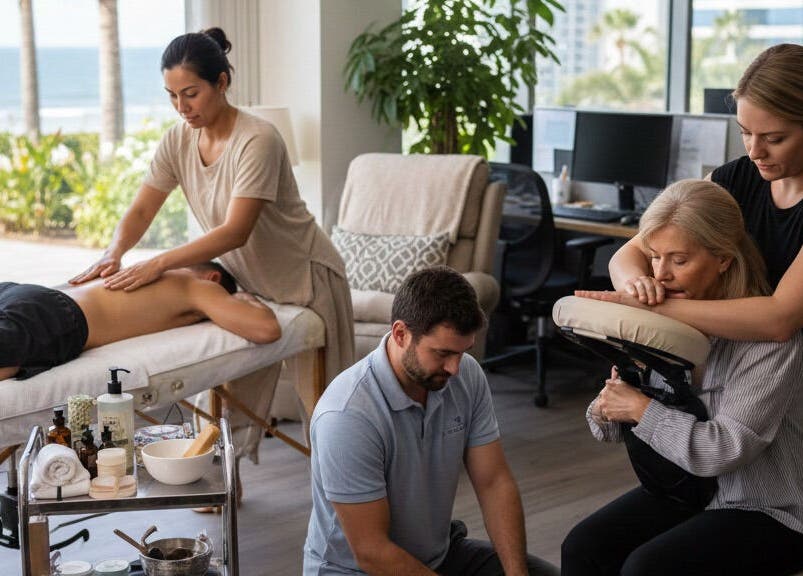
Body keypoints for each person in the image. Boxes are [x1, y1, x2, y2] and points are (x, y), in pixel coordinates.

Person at [68, 27, 354, 460]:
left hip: (306, 279)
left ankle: (349, 491)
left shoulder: (257, 139)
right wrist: (114, 252)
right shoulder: (177, 139)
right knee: (230, 408)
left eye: (191, 94)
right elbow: (143, 209)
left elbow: (235, 231)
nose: (182, 107)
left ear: (222, 82)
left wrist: (158, 264)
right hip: (248, 284)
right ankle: (225, 478)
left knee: (329, 412)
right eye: (171, 96)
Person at [561, 180, 803, 576]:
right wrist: (609, 405)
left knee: (647, 568)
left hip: (766, 507)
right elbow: (606, 429)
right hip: (688, 492)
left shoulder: (770, 345)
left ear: (722, 258)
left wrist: (640, 408)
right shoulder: (664, 328)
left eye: (679, 260)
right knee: (583, 547)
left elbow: (723, 450)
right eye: (655, 257)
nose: (661, 274)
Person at [303, 266, 558, 576]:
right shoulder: (347, 416)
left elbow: (494, 483)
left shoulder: (466, 375)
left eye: (462, 352)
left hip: (437, 558)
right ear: (400, 334)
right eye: (442, 353)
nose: (454, 368)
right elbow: (372, 552)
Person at [581, 43, 803, 341]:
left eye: (773, 139)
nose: (754, 152)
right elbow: (628, 254)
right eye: (745, 133)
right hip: (730, 350)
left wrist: (652, 307)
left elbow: (779, 320)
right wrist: (638, 287)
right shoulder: (734, 178)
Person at [1, 262, 281, 381]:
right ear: (214, 278)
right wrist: (245, 299)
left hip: (20, 294)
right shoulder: (198, 285)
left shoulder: (147, 271)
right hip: (57, 315)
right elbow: (266, 329)